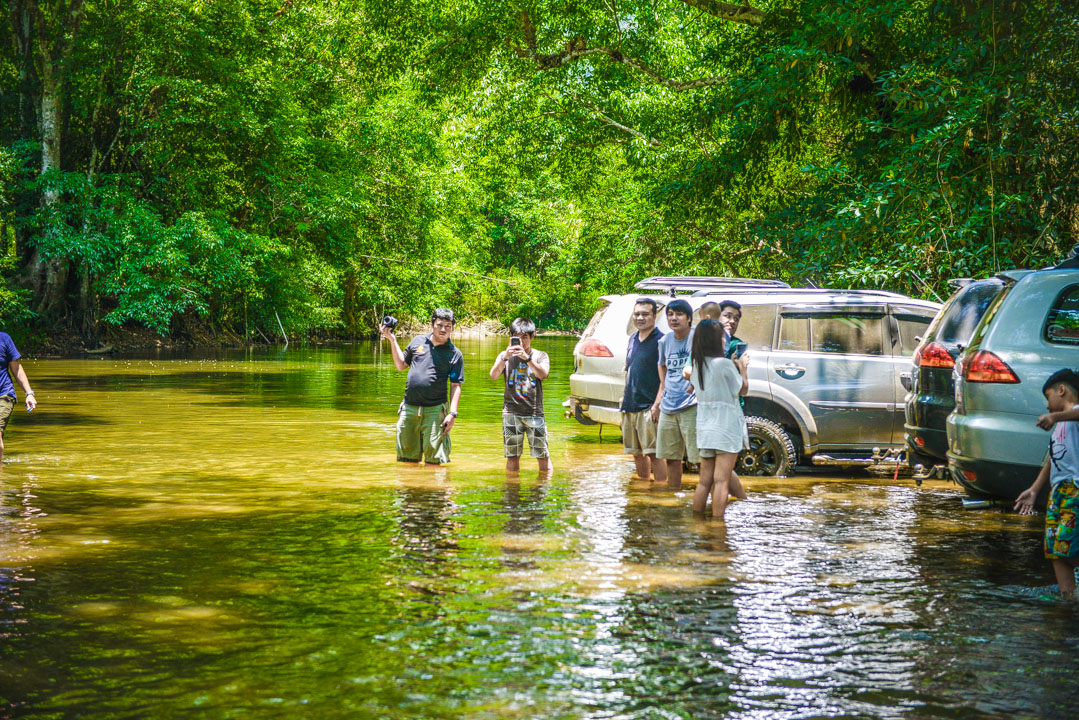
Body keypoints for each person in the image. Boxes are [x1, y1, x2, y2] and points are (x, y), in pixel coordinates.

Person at [1014, 369, 1079, 598]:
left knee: (1069, 548)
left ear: (1061, 390)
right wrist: (1034, 489)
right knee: (1054, 550)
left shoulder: (1072, 416)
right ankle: (1068, 599)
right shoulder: (1061, 425)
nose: (1047, 406)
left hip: (1075, 490)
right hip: (1058, 492)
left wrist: (1055, 417)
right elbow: (1054, 458)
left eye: (1048, 397)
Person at [381, 309, 464, 465]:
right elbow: (401, 365)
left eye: (448, 326)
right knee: (406, 461)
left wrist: (452, 413)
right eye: (439, 325)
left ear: (452, 328)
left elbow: (455, 385)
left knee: (436, 462)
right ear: (432, 324)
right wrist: (392, 340)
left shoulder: (454, 354)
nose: (443, 329)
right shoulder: (418, 341)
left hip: (435, 411)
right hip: (409, 409)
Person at [684, 320, 748, 519]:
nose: (724, 340)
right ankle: (718, 524)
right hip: (726, 426)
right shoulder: (724, 364)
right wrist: (742, 368)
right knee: (721, 480)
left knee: (704, 481)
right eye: (722, 337)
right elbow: (743, 390)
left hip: (705, 427)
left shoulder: (697, 365)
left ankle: (697, 520)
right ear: (715, 340)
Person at [489, 317, 552, 473]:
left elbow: (543, 374)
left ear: (532, 336)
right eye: (517, 337)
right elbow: (493, 376)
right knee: (512, 456)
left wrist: (527, 358)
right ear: (511, 338)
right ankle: (512, 487)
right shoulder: (504, 356)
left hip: (534, 413)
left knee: (542, 455)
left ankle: (544, 486)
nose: (521, 342)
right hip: (511, 413)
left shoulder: (540, 356)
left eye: (525, 337)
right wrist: (505, 357)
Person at [620, 298, 666, 483]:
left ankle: (663, 491)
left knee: (654, 454)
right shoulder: (632, 339)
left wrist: (657, 405)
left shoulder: (661, 341)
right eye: (637, 314)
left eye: (645, 314)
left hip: (649, 406)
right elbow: (629, 370)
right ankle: (644, 487)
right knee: (636, 453)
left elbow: (665, 378)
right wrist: (624, 399)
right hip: (630, 404)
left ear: (654, 316)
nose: (640, 318)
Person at [656, 298, 697, 490]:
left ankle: (709, 495)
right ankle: (674, 496)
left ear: (689, 318)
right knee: (671, 457)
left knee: (700, 458)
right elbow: (661, 365)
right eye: (670, 314)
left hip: (691, 404)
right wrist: (663, 389)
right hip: (668, 405)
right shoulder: (665, 341)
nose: (674, 318)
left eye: (679, 314)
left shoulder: (696, 338)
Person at [0, 332, 36, 463]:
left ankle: (1, 472)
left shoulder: (4, 339)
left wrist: (29, 393)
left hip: (4, 395)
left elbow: (17, 368)